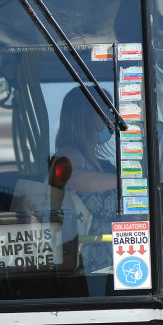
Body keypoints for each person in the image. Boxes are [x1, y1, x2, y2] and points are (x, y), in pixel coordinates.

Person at [53, 87, 119, 272]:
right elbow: (71, 177)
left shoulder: (106, 167)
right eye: (105, 110)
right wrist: (126, 182)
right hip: (84, 267)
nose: (112, 116)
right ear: (86, 115)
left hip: (114, 263)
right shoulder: (68, 155)